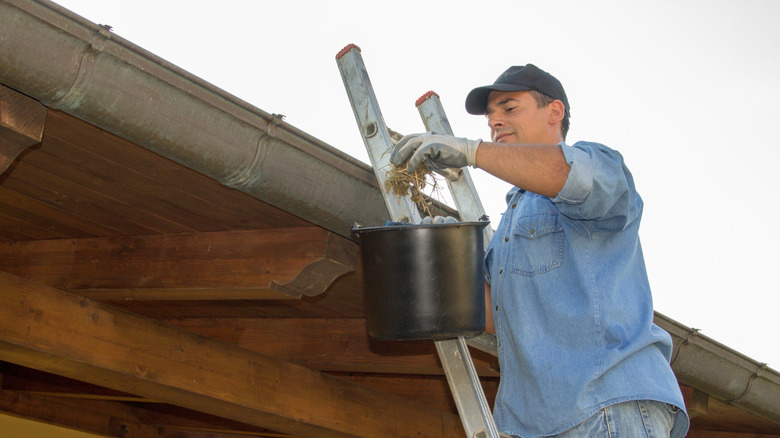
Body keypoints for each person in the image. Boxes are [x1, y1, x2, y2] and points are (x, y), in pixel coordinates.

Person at [390, 64, 690, 438]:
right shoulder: (512, 219)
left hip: (604, 408)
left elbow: (570, 177)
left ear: (555, 112)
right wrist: (439, 260)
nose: (494, 122)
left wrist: (471, 152)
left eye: (509, 108)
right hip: (537, 422)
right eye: (490, 117)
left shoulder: (599, 162)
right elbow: (501, 316)